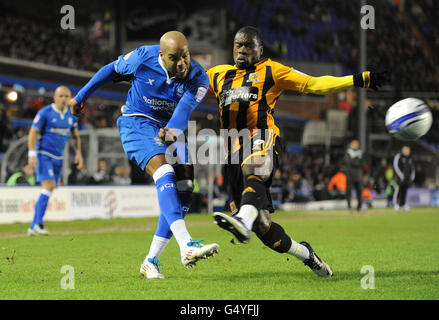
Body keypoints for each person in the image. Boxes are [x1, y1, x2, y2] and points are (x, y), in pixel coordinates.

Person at [207, 26, 387, 277]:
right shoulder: (217, 75)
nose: (242, 50)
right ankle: (307, 255)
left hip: (263, 137)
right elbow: (184, 91)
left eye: (249, 46)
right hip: (232, 155)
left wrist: (358, 79)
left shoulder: (272, 70)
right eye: (238, 45)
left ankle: (242, 220)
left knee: (256, 166)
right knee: (265, 228)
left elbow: (314, 84)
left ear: (260, 49)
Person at [69, 31, 219, 279]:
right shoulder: (142, 58)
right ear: (162, 55)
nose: (182, 63)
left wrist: (172, 130)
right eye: (174, 58)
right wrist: (81, 95)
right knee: (164, 171)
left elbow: (184, 110)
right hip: (137, 123)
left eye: (186, 55)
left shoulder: (199, 78)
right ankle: (187, 244)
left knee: (185, 189)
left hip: (169, 127)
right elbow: (110, 70)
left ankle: (150, 261)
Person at [27, 86, 84, 235]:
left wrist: (79, 153)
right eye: (61, 96)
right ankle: (38, 224)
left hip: (59, 157)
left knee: (49, 189)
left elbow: (76, 135)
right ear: (55, 98)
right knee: (49, 185)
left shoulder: (72, 116)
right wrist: (32, 154)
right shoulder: (45, 113)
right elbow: (33, 133)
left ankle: (34, 225)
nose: (64, 99)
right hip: (44, 154)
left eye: (67, 96)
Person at [344, 139, 365, 212]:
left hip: (358, 175)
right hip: (350, 175)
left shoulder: (360, 153)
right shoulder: (349, 153)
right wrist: (356, 160)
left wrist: (355, 161)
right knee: (349, 191)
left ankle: (359, 206)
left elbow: (363, 164)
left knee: (359, 191)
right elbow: (348, 162)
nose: (356, 145)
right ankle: (349, 206)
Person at [393, 145, 415, 211]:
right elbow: (396, 166)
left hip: (407, 178)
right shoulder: (399, 156)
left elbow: (412, 168)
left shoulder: (410, 158)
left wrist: (412, 176)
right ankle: (396, 204)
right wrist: (401, 175)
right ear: (403, 150)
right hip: (400, 178)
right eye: (406, 150)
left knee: (405, 191)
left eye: (408, 150)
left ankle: (403, 204)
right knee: (399, 191)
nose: (407, 151)